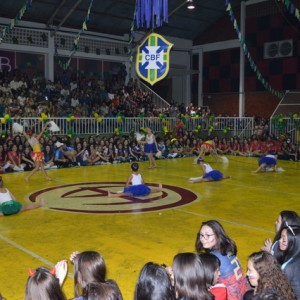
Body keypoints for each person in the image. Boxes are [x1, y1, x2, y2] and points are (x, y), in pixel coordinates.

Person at [195, 220, 249, 300]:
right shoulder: (226, 249)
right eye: (201, 235)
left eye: (208, 235)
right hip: (244, 292)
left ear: (217, 235)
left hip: (231, 296)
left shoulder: (213, 257)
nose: (203, 238)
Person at [277, 224, 300, 299]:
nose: (279, 240)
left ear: (293, 243)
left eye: (284, 240)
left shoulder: (288, 266)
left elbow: (279, 290)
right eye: (280, 237)